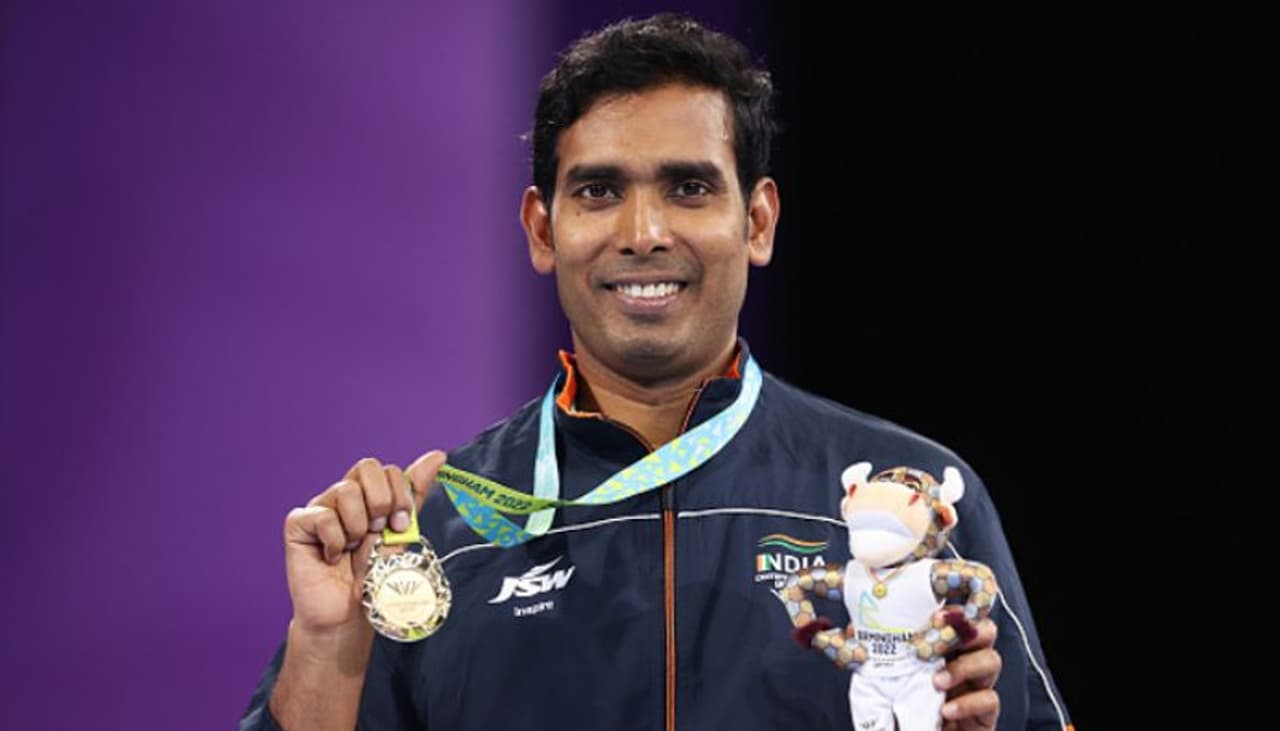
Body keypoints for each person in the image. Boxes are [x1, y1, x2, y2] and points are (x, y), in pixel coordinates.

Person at [241, 13, 1070, 731]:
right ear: (541, 230)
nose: (643, 232)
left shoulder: (914, 500)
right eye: (599, 191)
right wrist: (326, 646)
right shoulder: (433, 534)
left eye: (689, 187)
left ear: (757, 221)